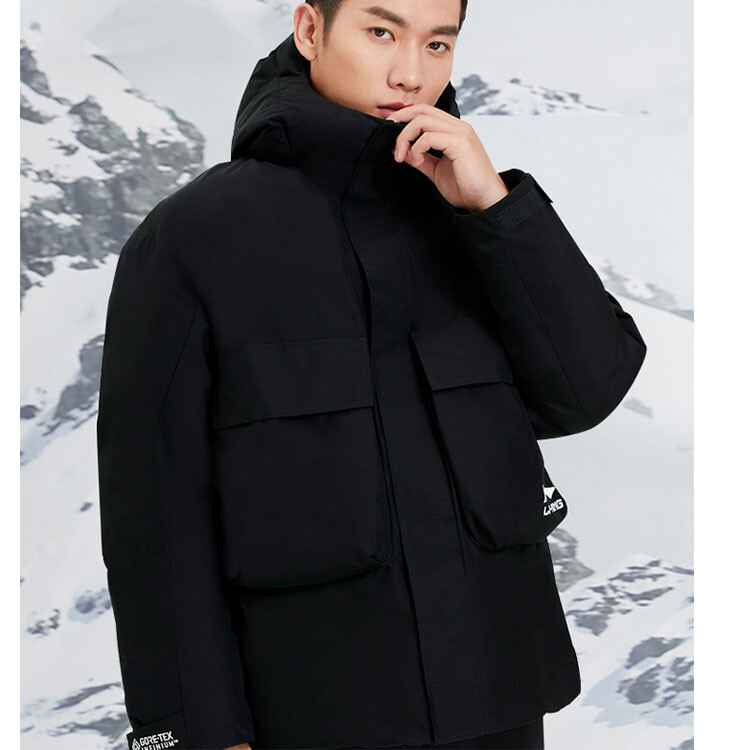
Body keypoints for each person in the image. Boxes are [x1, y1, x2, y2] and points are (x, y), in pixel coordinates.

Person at [96, 1, 647, 749]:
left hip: (503, 707)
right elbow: (156, 516)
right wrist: (197, 734)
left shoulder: (476, 217)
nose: (410, 73)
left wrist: (495, 207)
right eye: (381, 32)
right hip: (315, 718)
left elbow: (587, 389)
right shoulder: (192, 239)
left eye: (438, 44)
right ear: (311, 30)